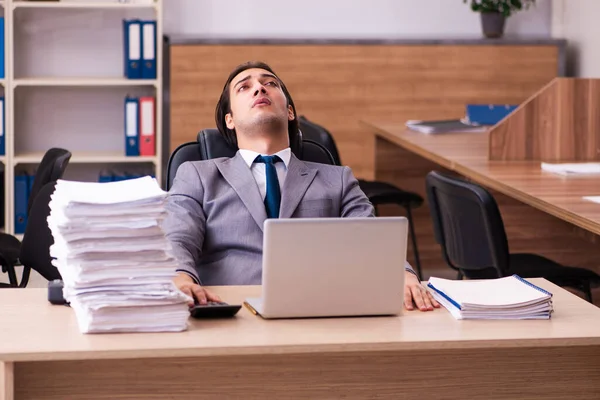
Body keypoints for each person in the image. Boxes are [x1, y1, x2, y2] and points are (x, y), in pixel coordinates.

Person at [163, 61, 439, 312]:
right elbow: (178, 237)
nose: (259, 87)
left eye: (270, 83)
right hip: (230, 310)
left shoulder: (338, 179)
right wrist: (180, 275)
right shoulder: (197, 174)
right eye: (244, 87)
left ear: (290, 111)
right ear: (230, 120)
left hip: (317, 311)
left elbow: (373, 240)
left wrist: (400, 274)